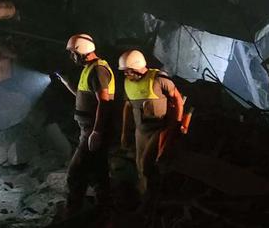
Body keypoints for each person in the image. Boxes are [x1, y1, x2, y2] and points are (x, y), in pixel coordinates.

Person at [117, 49, 186, 202]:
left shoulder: (159, 80)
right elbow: (128, 106)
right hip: (141, 130)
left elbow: (178, 100)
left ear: (136, 67)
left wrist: (176, 125)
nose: (125, 74)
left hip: (159, 129)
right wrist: (124, 133)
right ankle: (145, 193)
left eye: (128, 70)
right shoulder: (128, 83)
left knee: (146, 164)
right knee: (139, 164)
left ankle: (153, 197)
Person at [62, 33, 114, 217]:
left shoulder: (98, 70)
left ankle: (72, 213)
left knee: (75, 173)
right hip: (88, 128)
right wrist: (67, 83)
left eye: (73, 53)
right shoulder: (90, 68)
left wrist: (97, 132)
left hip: (92, 129)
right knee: (98, 172)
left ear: (82, 51)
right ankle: (103, 211)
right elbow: (84, 96)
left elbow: (104, 102)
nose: (72, 56)